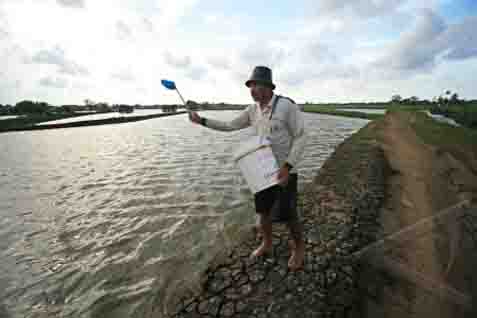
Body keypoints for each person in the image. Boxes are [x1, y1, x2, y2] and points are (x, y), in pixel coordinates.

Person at [189, 66, 306, 270]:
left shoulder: (287, 106)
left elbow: (301, 137)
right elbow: (230, 126)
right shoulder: (252, 111)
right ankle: (267, 243)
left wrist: (288, 166)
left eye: (256, 85)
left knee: (289, 215)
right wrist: (202, 121)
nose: (251, 90)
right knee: (262, 212)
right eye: (250, 85)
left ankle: (298, 248)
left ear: (268, 87)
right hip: (261, 171)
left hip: (285, 171)